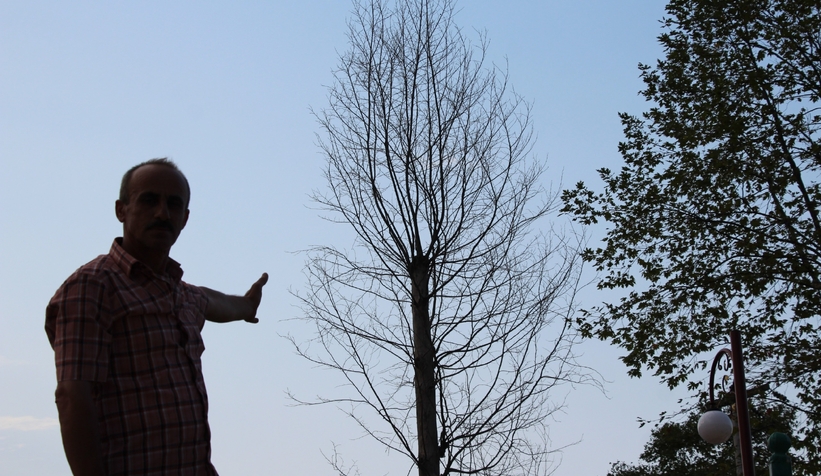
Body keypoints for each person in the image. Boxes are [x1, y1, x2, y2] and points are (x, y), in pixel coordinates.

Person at [45, 158, 267, 476]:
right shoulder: (92, 288)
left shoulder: (180, 293)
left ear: (185, 218)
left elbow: (212, 302)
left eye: (173, 205)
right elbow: (72, 396)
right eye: (149, 200)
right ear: (122, 209)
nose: (162, 213)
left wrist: (246, 307)